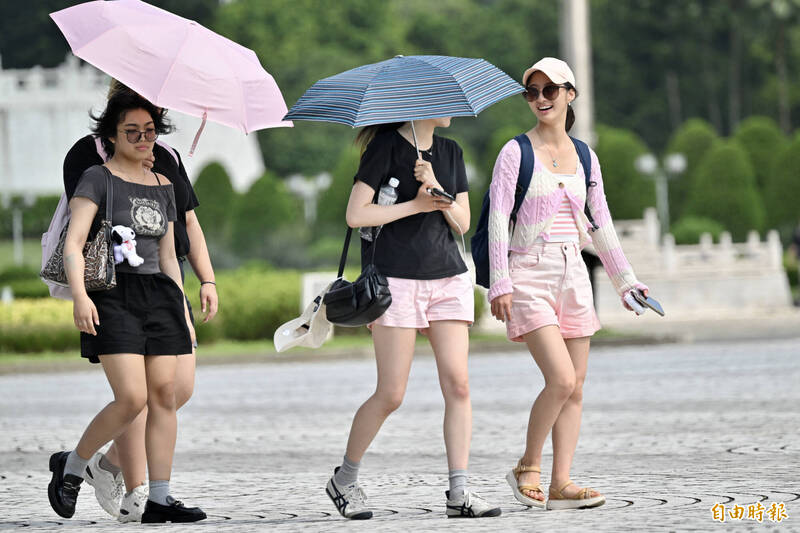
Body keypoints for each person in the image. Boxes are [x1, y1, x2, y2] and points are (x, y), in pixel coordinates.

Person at [487, 58, 649, 511]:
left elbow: (600, 222)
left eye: (550, 90)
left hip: (574, 274)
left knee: (576, 386)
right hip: (527, 274)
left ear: (570, 94)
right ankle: (527, 467)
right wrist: (499, 281)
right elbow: (499, 218)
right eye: (532, 92)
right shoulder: (514, 152)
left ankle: (561, 482)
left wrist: (626, 282)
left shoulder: (584, 156)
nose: (540, 99)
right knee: (559, 379)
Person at [325, 118, 501, 520]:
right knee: (391, 393)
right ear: (419, 106)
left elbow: (462, 222)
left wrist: (437, 185)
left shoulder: (450, 152)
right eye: (440, 101)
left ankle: (459, 492)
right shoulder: (384, 147)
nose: (449, 109)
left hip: (449, 278)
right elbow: (356, 214)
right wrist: (416, 205)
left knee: (458, 385)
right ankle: (344, 480)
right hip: (396, 281)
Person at [61, 81, 218, 521]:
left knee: (170, 392)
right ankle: (98, 475)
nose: (144, 138)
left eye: (150, 129)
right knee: (132, 397)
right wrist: (79, 296)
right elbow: (82, 234)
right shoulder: (89, 164)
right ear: (112, 129)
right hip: (112, 287)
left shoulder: (166, 171)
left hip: (160, 290)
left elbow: (177, 242)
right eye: (132, 130)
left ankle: (146, 490)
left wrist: (196, 290)